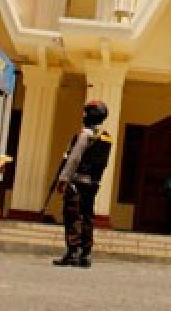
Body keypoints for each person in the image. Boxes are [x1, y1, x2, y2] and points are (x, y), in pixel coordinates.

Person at [53, 100, 114, 267]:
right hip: (92, 183)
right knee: (87, 217)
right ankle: (86, 254)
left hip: (77, 182)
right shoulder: (106, 137)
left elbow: (74, 159)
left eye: (86, 113)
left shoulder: (86, 134)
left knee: (72, 216)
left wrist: (63, 179)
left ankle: (72, 252)